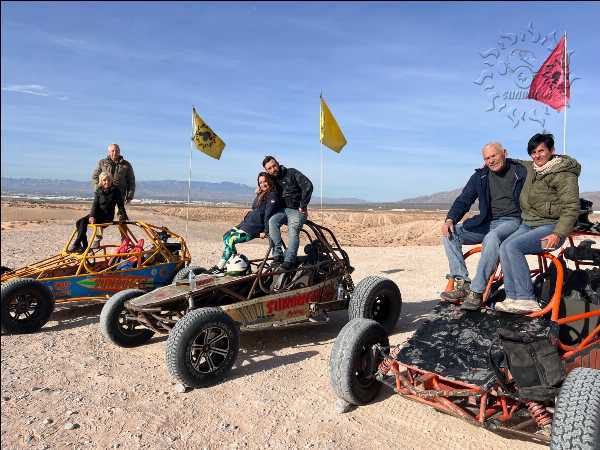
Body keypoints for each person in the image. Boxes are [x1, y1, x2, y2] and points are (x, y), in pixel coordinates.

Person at [496, 133, 581, 314]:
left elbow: (571, 207)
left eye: (541, 151)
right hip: (530, 224)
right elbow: (518, 162)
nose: (537, 156)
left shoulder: (564, 174)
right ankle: (512, 297)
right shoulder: (532, 168)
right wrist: (497, 160)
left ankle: (526, 299)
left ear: (552, 150)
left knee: (513, 247)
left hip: (551, 229)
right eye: (533, 152)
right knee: (504, 246)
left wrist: (558, 233)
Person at [441, 142, 527, 310]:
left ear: (504, 153)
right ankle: (463, 283)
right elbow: (464, 200)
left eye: (494, 156)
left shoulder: (520, 171)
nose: (491, 161)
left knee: (492, 238)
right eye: (487, 158)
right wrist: (450, 219)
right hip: (486, 222)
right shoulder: (480, 176)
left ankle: (476, 292)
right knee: (451, 233)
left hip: (511, 221)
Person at [208, 172, 280, 274]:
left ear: (270, 181)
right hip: (246, 224)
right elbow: (256, 208)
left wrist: (265, 231)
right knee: (226, 236)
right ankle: (231, 263)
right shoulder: (262, 194)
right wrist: (258, 194)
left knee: (231, 240)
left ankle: (219, 268)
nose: (263, 184)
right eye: (260, 182)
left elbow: (268, 214)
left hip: (254, 228)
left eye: (265, 181)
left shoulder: (272, 195)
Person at [262, 156, 313, 270]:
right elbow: (264, 185)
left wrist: (303, 205)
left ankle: (289, 260)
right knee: (272, 221)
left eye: (274, 166)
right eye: (269, 168)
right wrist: (259, 190)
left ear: (278, 163)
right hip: (283, 211)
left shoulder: (291, 173)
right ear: (267, 170)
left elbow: (308, 185)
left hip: (297, 210)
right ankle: (277, 255)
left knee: (293, 229)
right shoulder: (271, 180)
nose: (273, 169)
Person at [68, 172, 128, 253]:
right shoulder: (99, 190)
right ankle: (84, 246)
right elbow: (95, 205)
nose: (107, 182)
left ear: (111, 181)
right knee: (79, 222)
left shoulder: (115, 191)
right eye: (104, 180)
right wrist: (92, 216)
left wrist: (123, 216)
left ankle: (77, 244)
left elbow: (120, 205)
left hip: (107, 217)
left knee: (82, 222)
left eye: (109, 180)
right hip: (97, 215)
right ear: (101, 181)